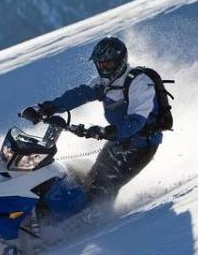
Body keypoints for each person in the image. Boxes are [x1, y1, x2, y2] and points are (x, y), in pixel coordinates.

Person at [21, 36, 170, 204]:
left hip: (142, 145)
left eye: (107, 64)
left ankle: (99, 223)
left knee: (101, 188)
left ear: (120, 61)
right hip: (119, 141)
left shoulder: (139, 82)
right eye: (99, 64)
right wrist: (45, 109)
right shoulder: (104, 82)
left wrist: (107, 131)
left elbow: (136, 121)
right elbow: (79, 95)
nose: (103, 68)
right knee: (91, 179)